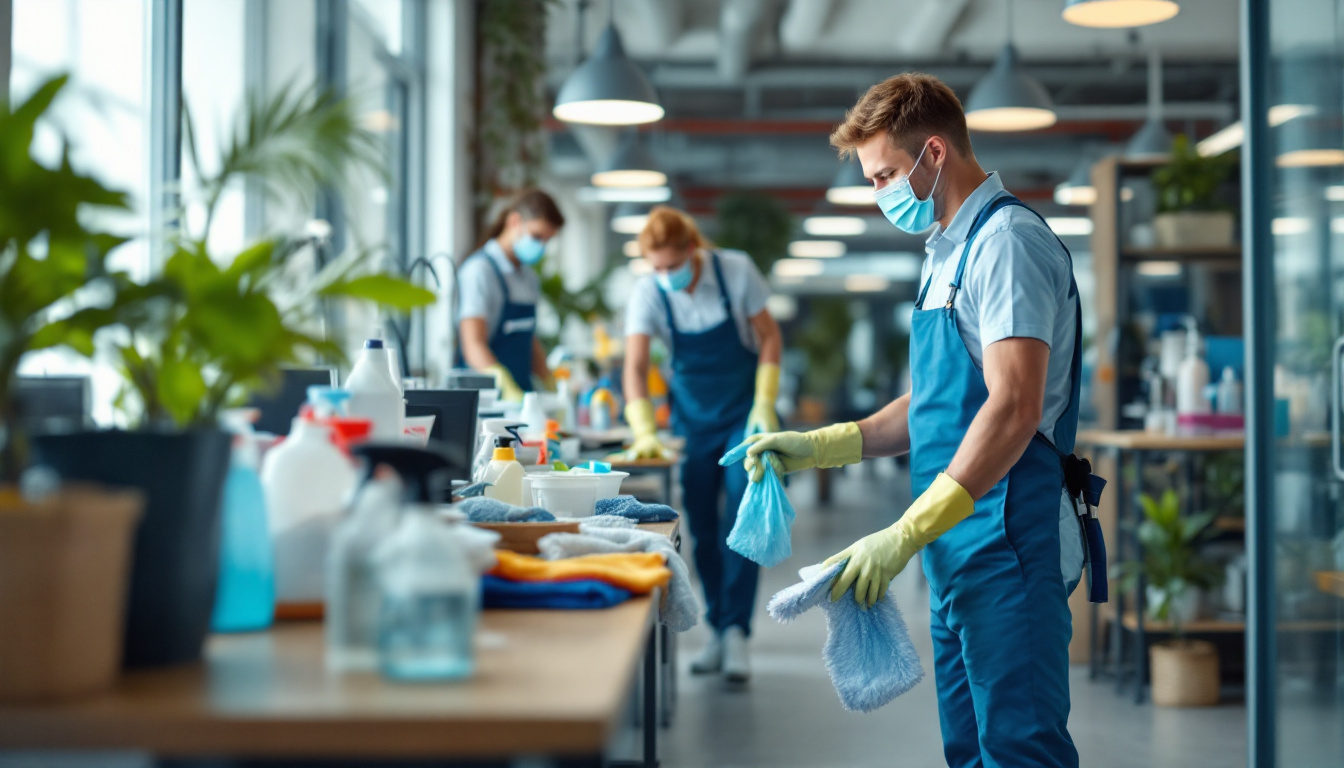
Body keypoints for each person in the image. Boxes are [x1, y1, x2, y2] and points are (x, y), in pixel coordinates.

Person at [738, 73, 1090, 768]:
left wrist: (901, 533)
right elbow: (932, 404)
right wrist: (820, 447)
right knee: (968, 749)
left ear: (934, 153)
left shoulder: (1007, 244)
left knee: (1019, 749)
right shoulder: (945, 254)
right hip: (954, 546)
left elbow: (1014, 407)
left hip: (1006, 544)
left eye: (885, 175)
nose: (879, 195)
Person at [621, 206, 782, 683]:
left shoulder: (735, 271)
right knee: (701, 524)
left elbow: (769, 337)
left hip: (742, 416)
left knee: (741, 514)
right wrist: (644, 428)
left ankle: (737, 633)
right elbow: (634, 366)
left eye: (672, 265)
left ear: (692, 250)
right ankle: (717, 627)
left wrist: (765, 402)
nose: (664, 275)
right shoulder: (649, 291)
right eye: (657, 267)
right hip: (692, 422)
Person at [457, 189, 566, 402]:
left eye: (547, 240)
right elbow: (473, 344)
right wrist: (503, 383)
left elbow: (528, 337)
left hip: (522, 393)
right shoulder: (479, 271)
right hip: (486, 399)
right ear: (515, 221)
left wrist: (550, 383)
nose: (541, 246)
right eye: (537, 237)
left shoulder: (528, 277)